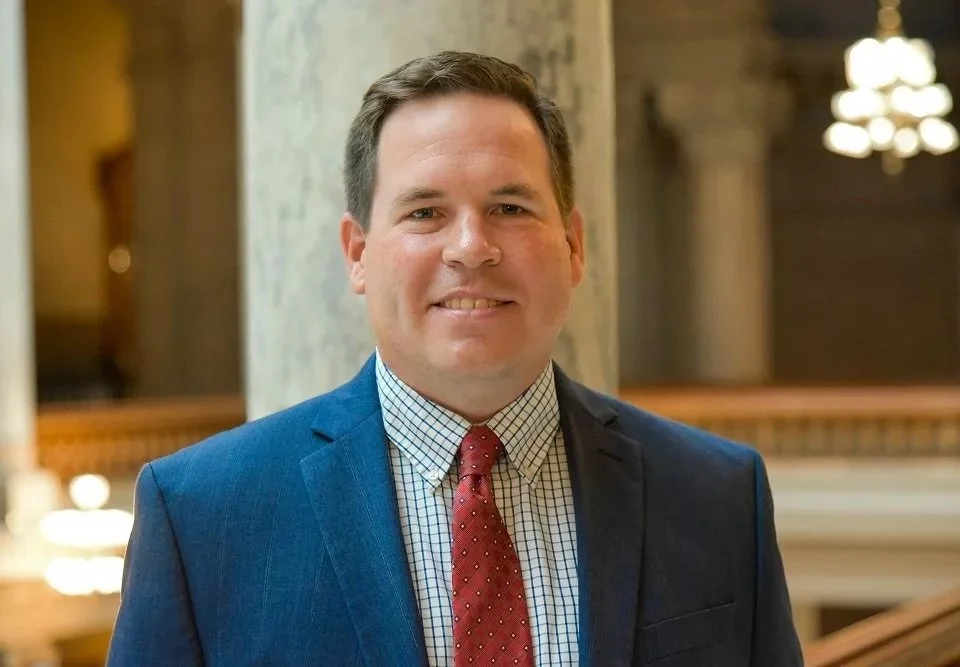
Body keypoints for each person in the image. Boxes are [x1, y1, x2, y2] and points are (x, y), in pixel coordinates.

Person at [107, 51, 803, 666]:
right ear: (358, 254)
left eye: (510, 207)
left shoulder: (716, 495)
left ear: (574, 246)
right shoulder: (203, 515)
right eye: (425, 213)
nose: (471, 247)